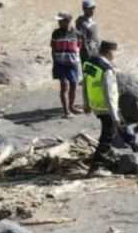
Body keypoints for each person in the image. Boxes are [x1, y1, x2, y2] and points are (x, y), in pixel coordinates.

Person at [82, 40, 122, 174]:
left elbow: (86, 84)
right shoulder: (106, 69)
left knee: (107, 133)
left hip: (95, 105)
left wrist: (86, 103)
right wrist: (115, 116)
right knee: (107, 136)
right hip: (106, 108)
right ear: (110, 52)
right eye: (115, 52)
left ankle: (106, 159)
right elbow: (109, 93)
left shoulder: (90, 63)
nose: (115, 56)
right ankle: (96, 167)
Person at [50, 13, 82, 117]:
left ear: (68, 21)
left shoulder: (77, 33)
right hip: (60, 64)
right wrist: (55, 62)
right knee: (64, 86)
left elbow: (79, 47)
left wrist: (76, 60)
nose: (58, 23)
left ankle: (71, 106)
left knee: (74, 85)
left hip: (73, 64)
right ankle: (66, 111)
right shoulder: (56, 33)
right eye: (58, 21)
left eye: (61, 21)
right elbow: (53, 48)